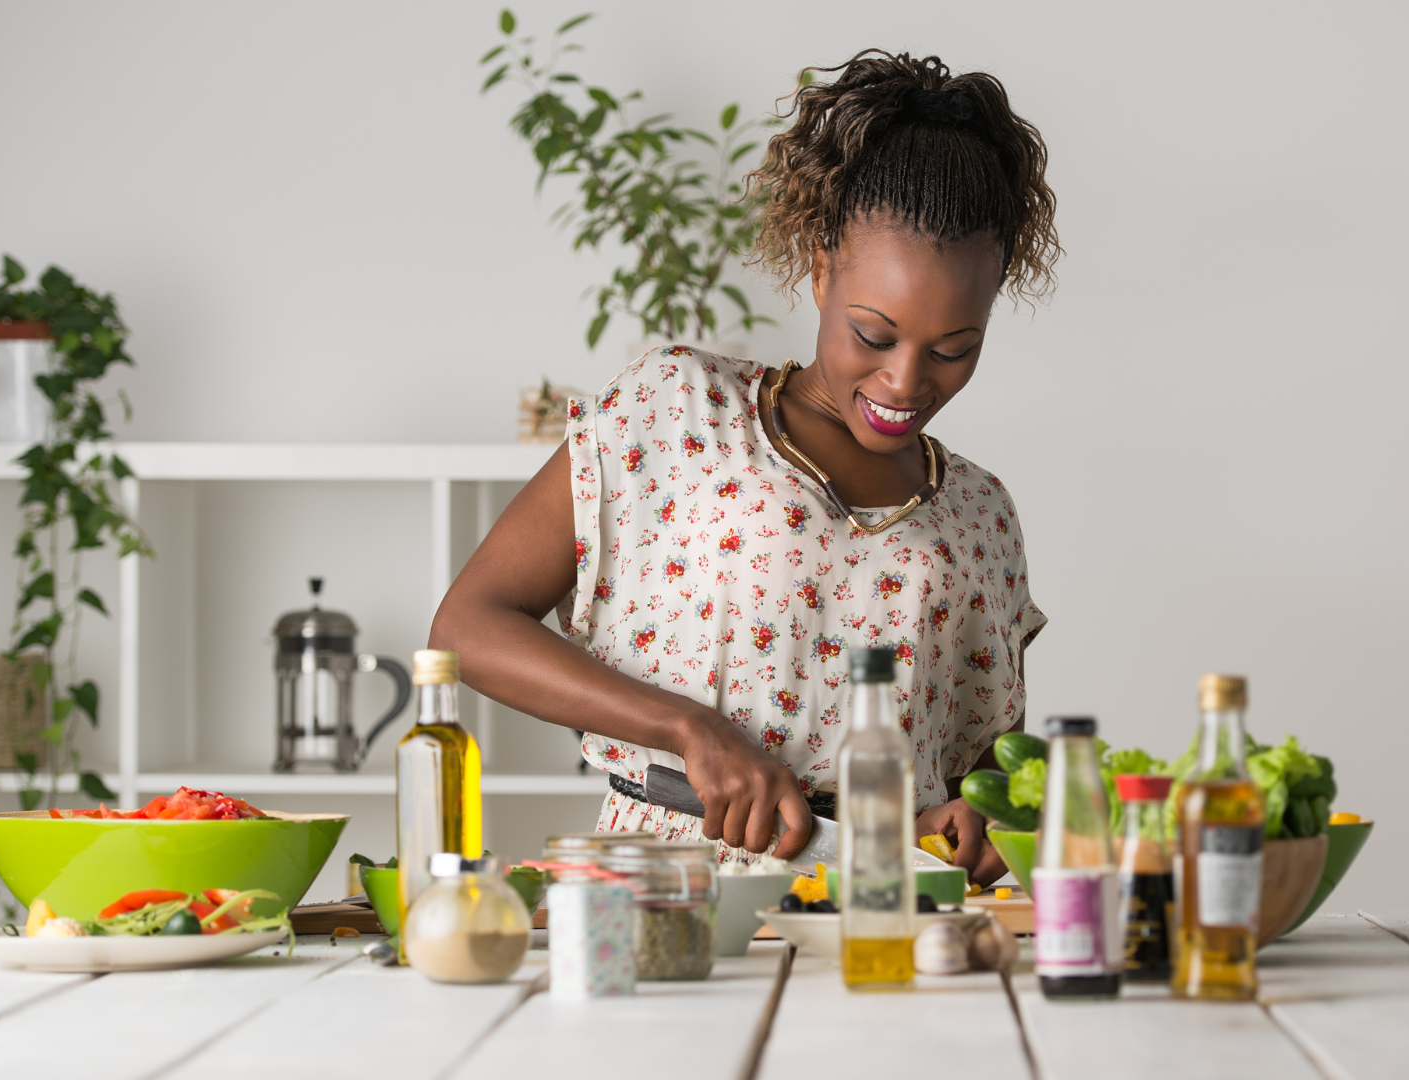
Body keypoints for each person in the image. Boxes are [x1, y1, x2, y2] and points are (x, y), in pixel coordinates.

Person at [430, 50, 1057, 886]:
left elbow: (979, 774)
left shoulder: (982, 514)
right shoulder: (674, 409)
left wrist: (971, 822)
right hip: (670, 896)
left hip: (884, 905)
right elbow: (468, 628)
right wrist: (693, 730)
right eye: (875, 335)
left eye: (954, 349)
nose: (906, 382)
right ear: (821, 268)